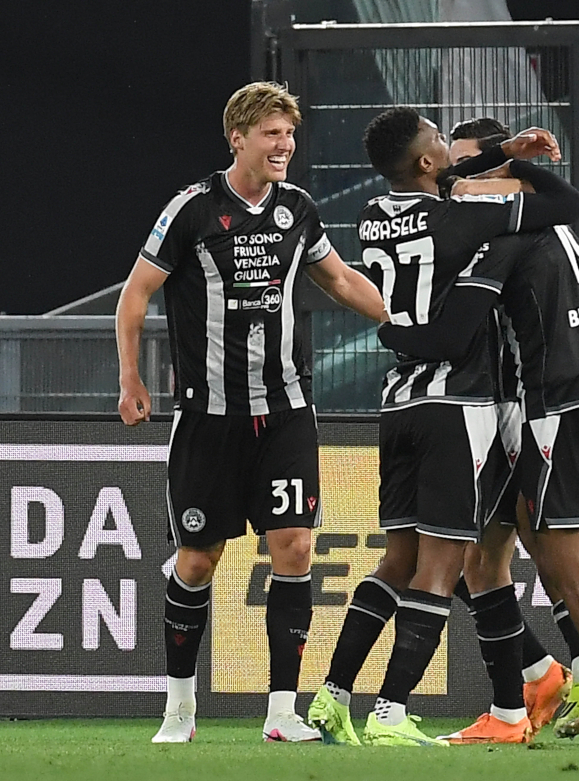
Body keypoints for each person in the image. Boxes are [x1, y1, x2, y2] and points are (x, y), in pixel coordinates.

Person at [377, 119, 579, 747]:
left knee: (552, 554)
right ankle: (554, 684)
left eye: (468, 173)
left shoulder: (509, 228)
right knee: (487, 546)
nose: (454, 185)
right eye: (450, 172)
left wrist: (396, 334)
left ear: (503, 181)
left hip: (555, 400)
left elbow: (455, 330)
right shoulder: (539, 220)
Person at [115, 81, 386, 744]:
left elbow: (341, 279)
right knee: (199, 559)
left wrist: (405, 321)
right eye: (272, 133)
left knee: (294, 547)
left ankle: (281, 714)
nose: (284, 145)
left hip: (287, 413)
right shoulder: (192, 209)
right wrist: (130, 379)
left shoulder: (299, 209)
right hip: (208, 418)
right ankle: (179, 710)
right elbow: (135, 294)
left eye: (289, 134)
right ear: (237, 138)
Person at [307, 106, 579, 747]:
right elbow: (564, 204)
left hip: (399, 400)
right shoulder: (468, 222)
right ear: (430, 162)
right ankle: (391, 714)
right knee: (442, 567)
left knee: (396, 561)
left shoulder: (374, 215)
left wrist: (475, 161)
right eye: (441, 140)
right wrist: (511, 162)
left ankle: (331, 697)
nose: (452, 149)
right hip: (457, 405)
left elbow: (432, 181)